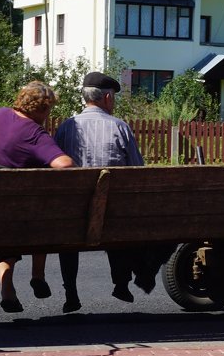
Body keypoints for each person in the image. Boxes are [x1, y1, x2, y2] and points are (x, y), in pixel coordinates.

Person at [51, 71, 153, 312]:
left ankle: (71, 294)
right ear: (107, 98)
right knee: (118, 218)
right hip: (112, 212)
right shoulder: (120, 128)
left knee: (69, 239)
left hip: (74, 211)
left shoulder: (67, 127)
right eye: (114, 98)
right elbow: (138, 170)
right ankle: (121, 283)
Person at [0, 81, 73, 313]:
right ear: (44, 108)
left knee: (5, 234)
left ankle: (7, 288)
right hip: (23, 213)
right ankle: (38, 274)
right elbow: (64, 164)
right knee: (45, 214)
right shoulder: (34, 132)